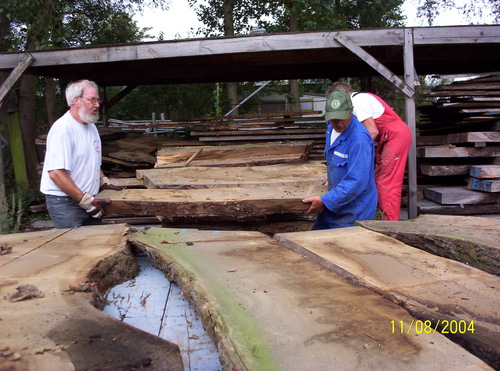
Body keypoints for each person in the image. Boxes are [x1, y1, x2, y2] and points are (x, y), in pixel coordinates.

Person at [40, 79, 120, 229]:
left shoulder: (91, 126)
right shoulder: (63, 129)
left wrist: (103, 181)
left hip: (88, 199)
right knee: (75, 249)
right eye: (92, 100)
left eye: (97, 100)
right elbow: (56, 173)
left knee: (94, 246)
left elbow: (91, 161)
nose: (97, 104)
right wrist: (85, 201)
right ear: (76, 101)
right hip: (65, 203)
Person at [328, 81, 412, 221]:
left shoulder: (358, 101)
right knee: (377, 180)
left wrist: (352, 158)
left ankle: (389, 227)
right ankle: (377, 217)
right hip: (387, 137)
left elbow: (371, 132)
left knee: (387, 183)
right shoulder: (361, 98)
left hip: (395, 135)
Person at [303, 90, 377, 230]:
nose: (338, 123)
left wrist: (325, 201)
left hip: (354, 210)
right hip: (334, 203)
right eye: (333, 118)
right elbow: (334, 161)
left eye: (342, 117)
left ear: (351, 111)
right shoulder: (330, 128)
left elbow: (357, 181)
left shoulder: (359, 140)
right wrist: (332, 179)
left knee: (343, 249)